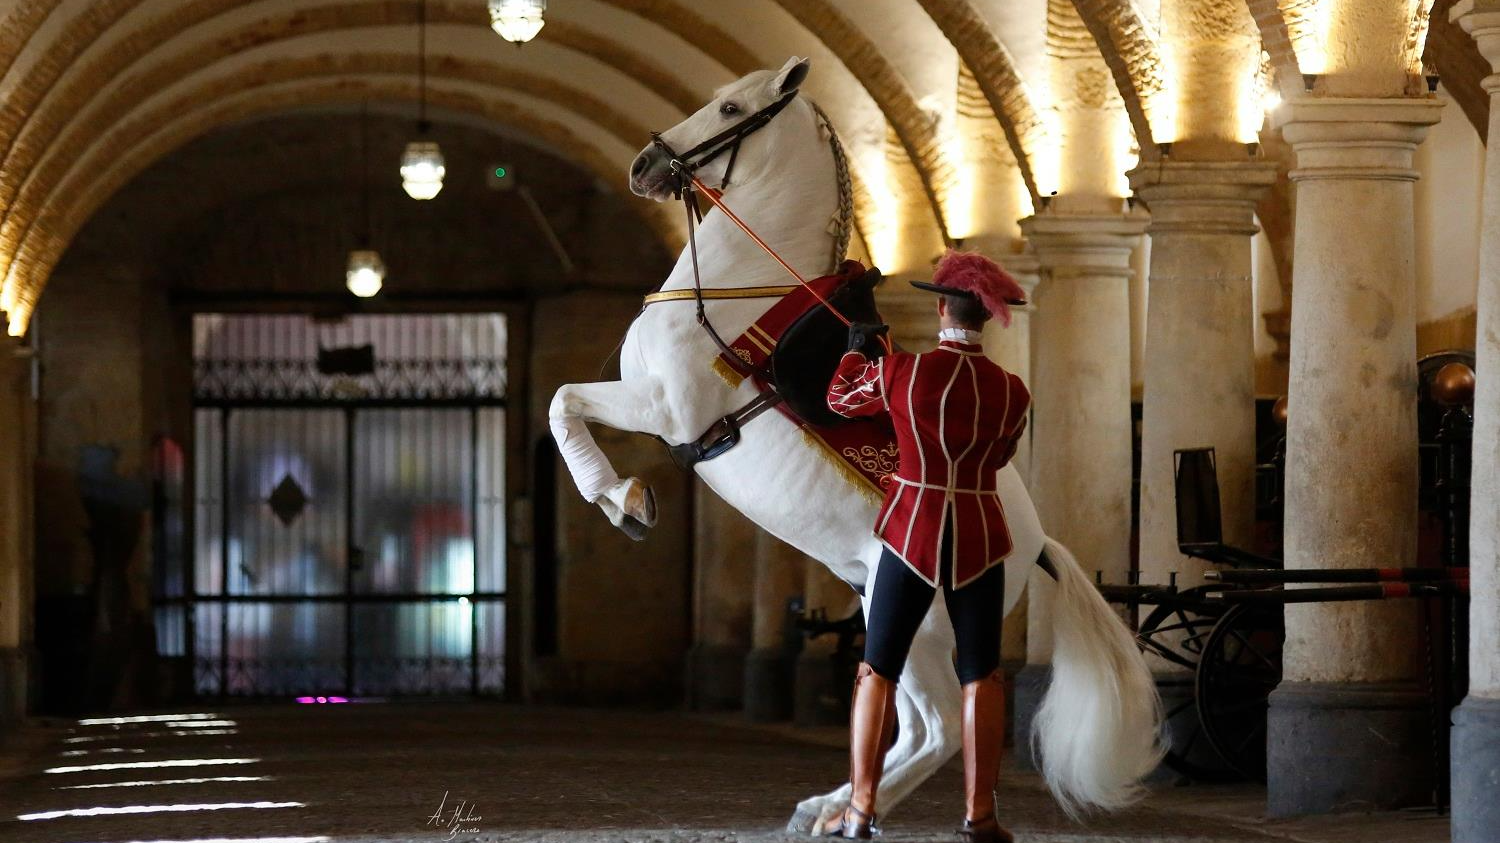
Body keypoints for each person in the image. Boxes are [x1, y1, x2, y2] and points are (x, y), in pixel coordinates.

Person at [823, 251, 1030, 842]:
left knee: (878, 668)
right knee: (981, 675)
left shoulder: (904, 372)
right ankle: (980, 815)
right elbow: (1001, 456)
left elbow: (841, 402)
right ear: (986, 317)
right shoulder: (1013, 392)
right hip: (982, 536)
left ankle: (861, 811)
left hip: (911, 529)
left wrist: (858, 351)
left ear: (940, 307)